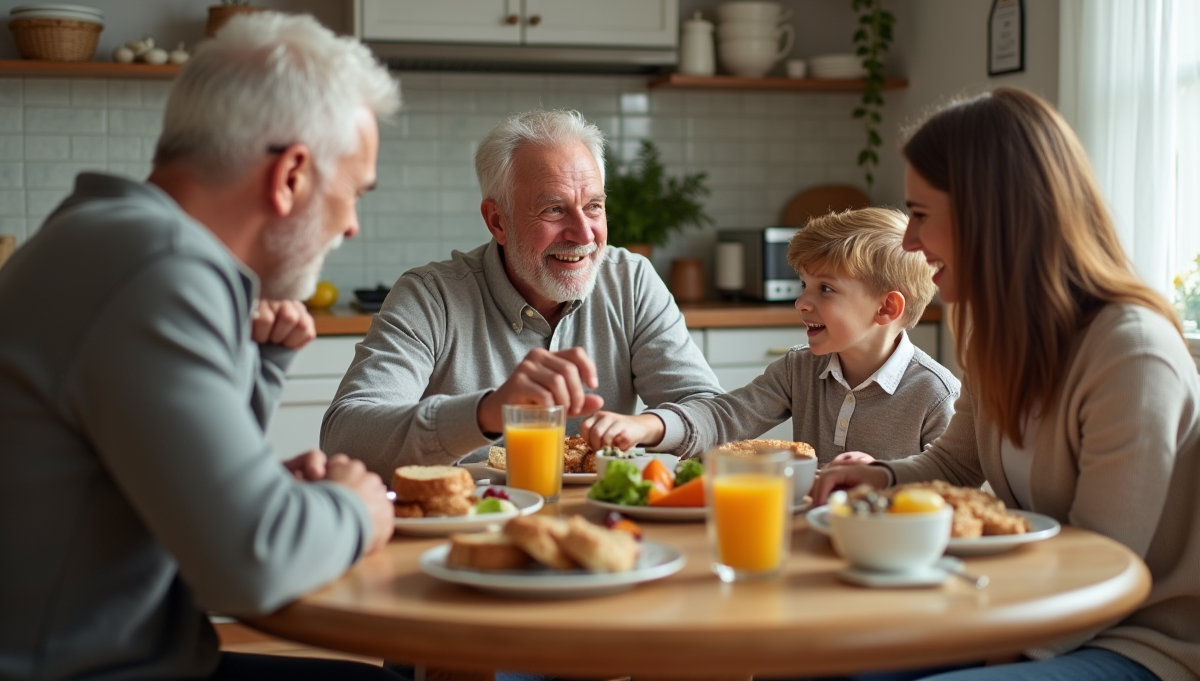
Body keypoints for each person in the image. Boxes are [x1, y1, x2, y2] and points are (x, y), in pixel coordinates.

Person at [0, 12, 404, 680]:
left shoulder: (110, 238)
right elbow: (252, 564)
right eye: (354, 194)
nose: (353, 226)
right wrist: (356, 508)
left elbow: (174, 502)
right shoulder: (158, 267)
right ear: (292, 176)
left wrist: (270, 492)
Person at [811, 88, 1200, 681]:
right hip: (1020, 605)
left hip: (1136, 637)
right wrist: (883, 477)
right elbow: (958, 463)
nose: (909, 242)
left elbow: (1101, 567)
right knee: (814, 658)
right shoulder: (992, 324)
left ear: (987, 213)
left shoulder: (1131, 352)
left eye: (919, 214)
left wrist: (998, 642)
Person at [321, 109, 722, 475]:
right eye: (554, 210)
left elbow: (718, 418)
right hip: (472, 528)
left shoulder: (630, 281)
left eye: (594, 207)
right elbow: (345, 440)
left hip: (600, 523)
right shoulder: (431, 298)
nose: (584, 234)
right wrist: (487, 412)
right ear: (497, 221)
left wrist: (647, 426)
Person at [581, 207, 959, 464]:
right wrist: (644, 425)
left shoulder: (936, 395)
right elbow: (724, 418)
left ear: (887, 308)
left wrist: (887, 482)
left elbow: (953, 499)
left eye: (825, 289)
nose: (801, 302)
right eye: (804, 285)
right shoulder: (800, 369)